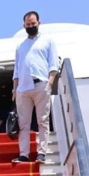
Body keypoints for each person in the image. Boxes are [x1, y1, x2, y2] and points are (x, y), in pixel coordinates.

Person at [12, 11, 60, 164]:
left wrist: (49, 83)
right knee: (23, 124)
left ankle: (42, 152)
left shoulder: (48, 41)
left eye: (33, 24)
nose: (31, 26)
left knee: (42, 120)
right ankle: (24, 154)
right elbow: (16, 70)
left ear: (39, 23)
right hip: (23, 88)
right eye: (28, 24)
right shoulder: (20, 46)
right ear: (24, 25)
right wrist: (14, 89)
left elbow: (54, 64)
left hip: (41, 84)